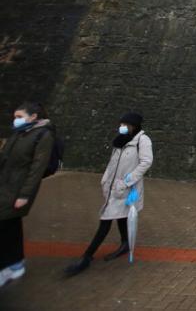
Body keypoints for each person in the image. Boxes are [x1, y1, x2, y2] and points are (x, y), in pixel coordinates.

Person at [65, 112, 152, 276]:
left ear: (134, 126)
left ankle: (87, 256)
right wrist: (105, 179)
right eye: (121, 124)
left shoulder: (142, 140)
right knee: (121, 216)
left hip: (125, 188)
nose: (122, 127)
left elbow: (146, 162)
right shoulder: (120, 141)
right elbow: (113, 162)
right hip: (113, 187)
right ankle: (125, 243)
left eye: (126, 125)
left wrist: (127, 181)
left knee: (105, 219)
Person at [0, 102, 56, 288]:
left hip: (17, 189)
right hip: (5, 186)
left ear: (33, 117)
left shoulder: (43, 135)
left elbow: (36, 169)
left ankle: (13, 265)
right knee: (9, 225)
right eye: (15, 116)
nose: (15, 120)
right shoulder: (19, 133)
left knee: (7, 225)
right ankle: (13, 264)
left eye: (19, 116)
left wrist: (25, 194)